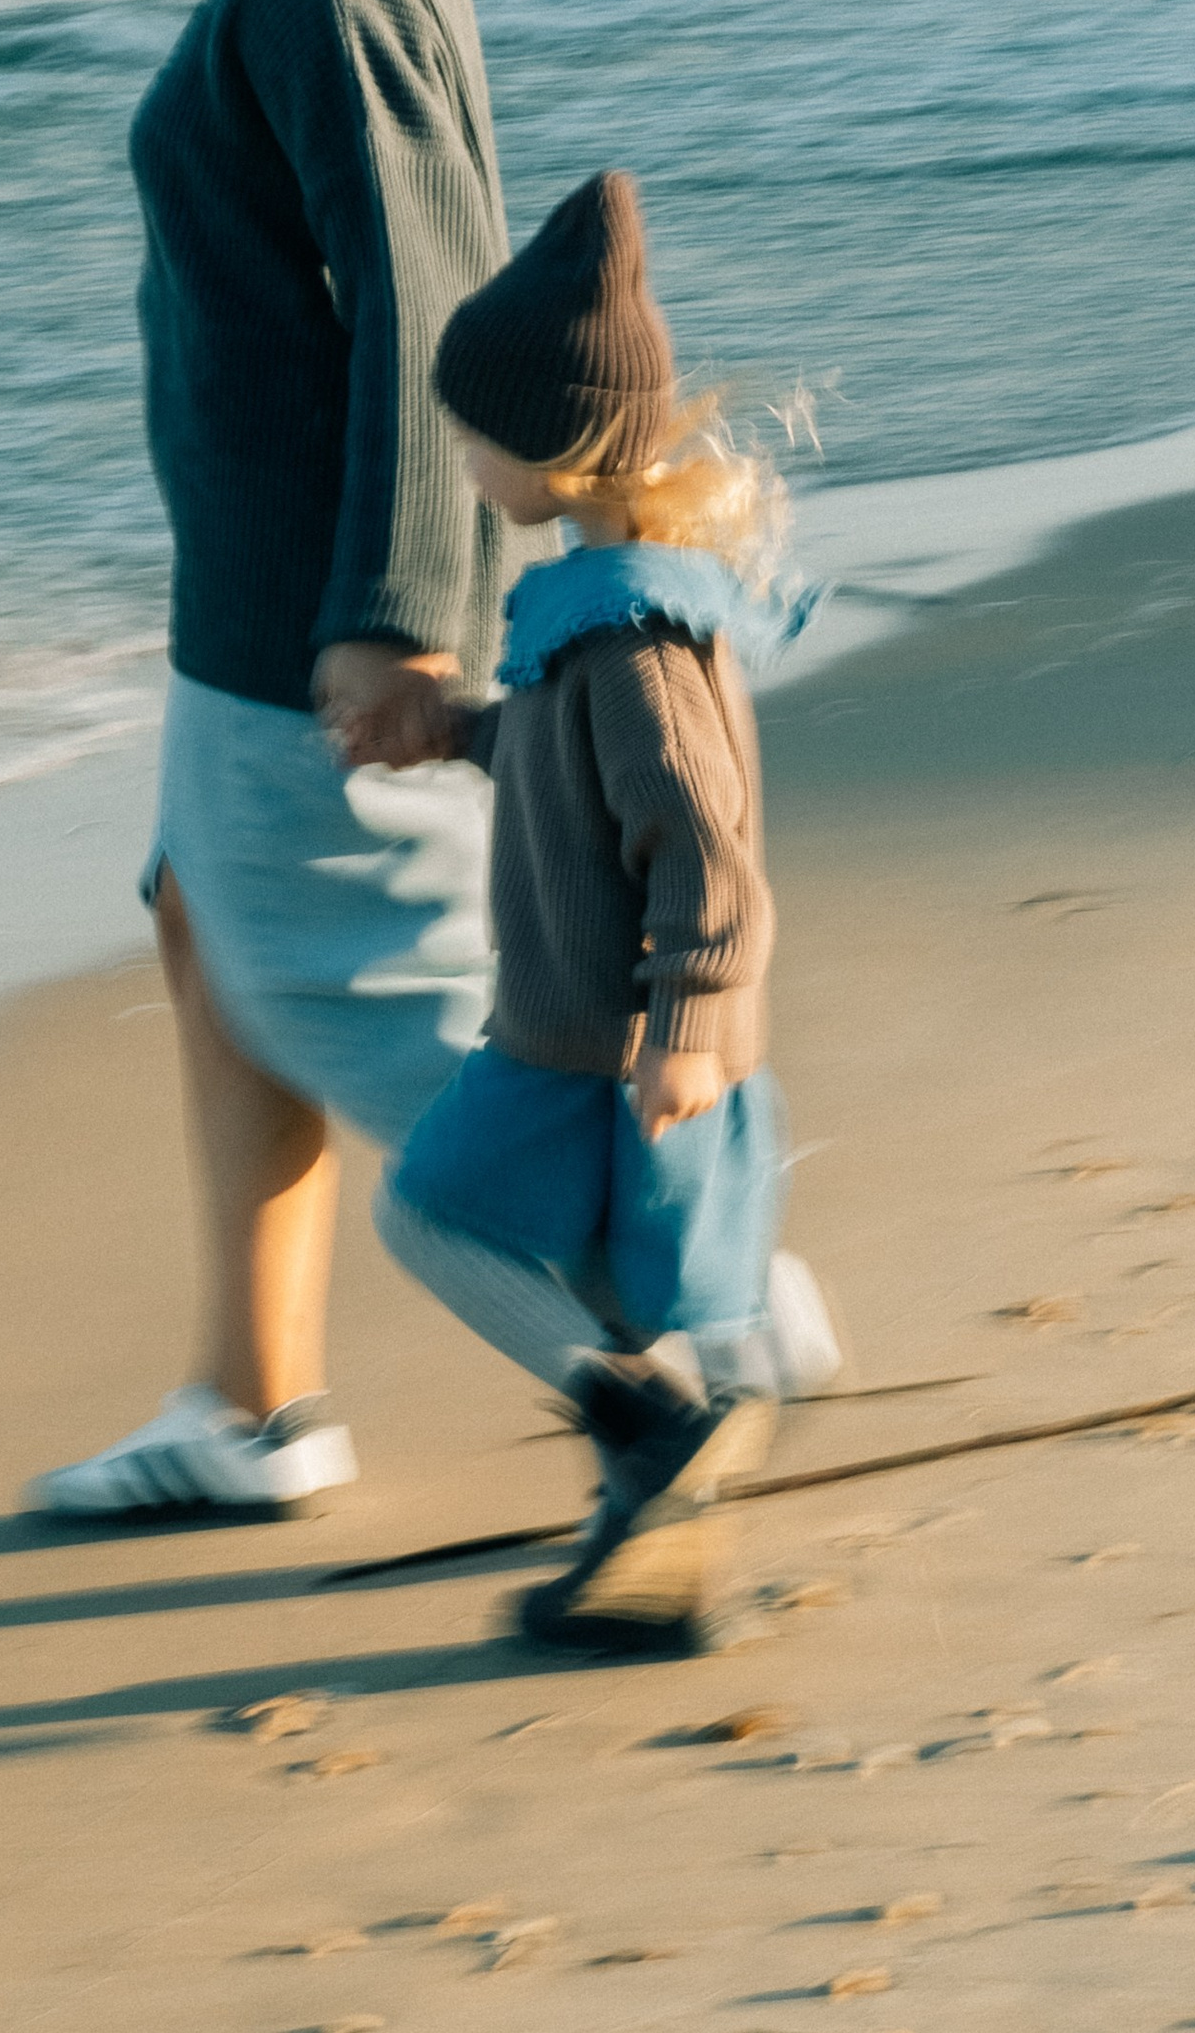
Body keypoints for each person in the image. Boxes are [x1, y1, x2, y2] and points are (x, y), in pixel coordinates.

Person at [27, 0, 511, 1517]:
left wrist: (389, 613)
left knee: (364, 992)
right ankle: (251, 1404)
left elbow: (429, 291)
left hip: (313, 595)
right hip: (260, 577)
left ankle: (673, 1305)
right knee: (209, 931)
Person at [346, 168, 818, 1654]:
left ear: (549, 445)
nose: (464, 457)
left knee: (433, 1218)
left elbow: (704, 845)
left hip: (601, 1047)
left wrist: (686, 1023)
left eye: (474, 433)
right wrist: (464, 733)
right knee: (629, 1284)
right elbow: (584, 780)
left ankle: (645, 1427)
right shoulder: (601, 607)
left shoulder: (624, 635)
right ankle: (657, 1526)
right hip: (597, 1040)